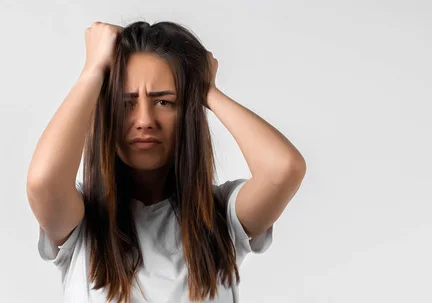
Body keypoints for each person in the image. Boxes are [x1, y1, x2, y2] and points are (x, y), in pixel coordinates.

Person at [26, 20, 306, 303]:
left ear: (188, 112)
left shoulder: (221, 216)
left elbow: (283, 169)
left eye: (164, 102)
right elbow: (43, 182)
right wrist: (92, 71)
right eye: (126, 103)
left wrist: (205, 89)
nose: (145, 121)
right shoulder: (83, 220)